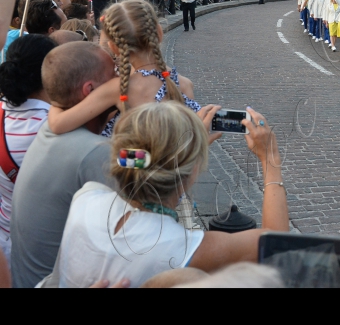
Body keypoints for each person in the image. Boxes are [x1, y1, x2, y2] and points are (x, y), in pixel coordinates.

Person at [45, 102, 288, 288]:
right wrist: (270, 160)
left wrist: (184, 155)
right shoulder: (185, 249)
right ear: (192, 172)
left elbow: (150, 172)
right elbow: (278, 245)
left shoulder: (87, 198)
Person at [10, 42, 116, 288]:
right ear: (90, 90)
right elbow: (148, 185)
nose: (122, 80)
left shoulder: (52, 126)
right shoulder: (93, 152)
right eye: (114, 75)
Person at [48, 0, 200, 138]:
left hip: (124, 166)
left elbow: (57, 125)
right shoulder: (184, 85)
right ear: (159, 33)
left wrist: (52, 100)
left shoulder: (118, 88)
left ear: (114, 47)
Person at [0, 35, 57, 261]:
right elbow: (119, 161)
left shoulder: (5, 110)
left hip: (7, 235)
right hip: (39, 253)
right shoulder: (51, 130)